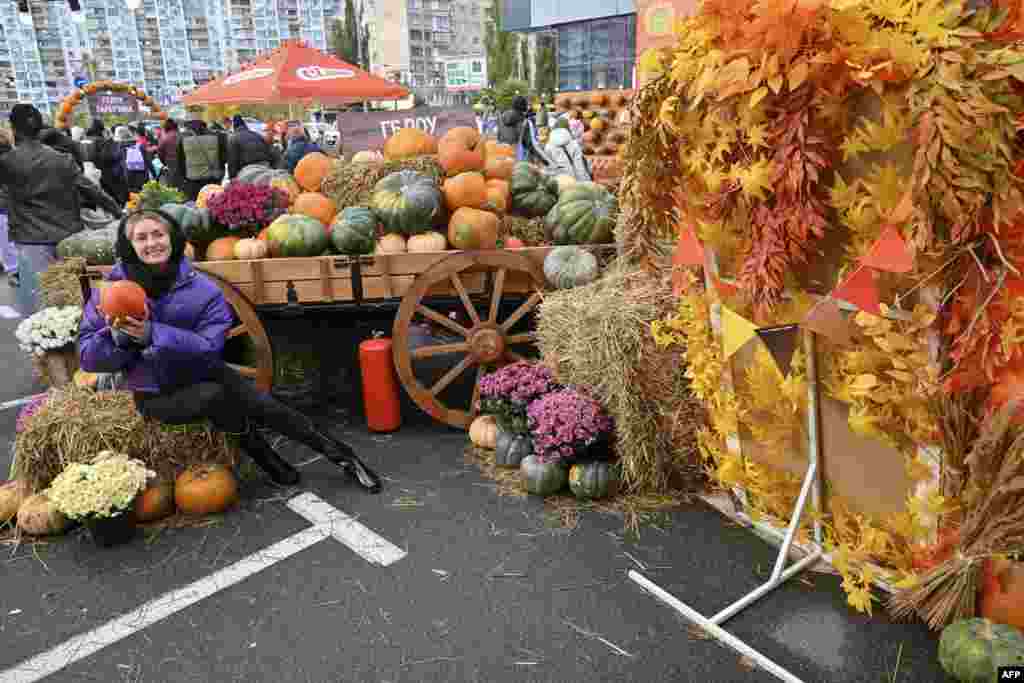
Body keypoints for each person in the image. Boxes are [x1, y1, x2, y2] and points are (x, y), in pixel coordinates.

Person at [77, 210, 383, 492]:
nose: (152, 243)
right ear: (129, 246)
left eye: (158, 234)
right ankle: (269, 460)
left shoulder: (202, 289)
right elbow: (88, 357)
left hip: (203, 370)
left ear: (173, 238)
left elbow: (211, 347)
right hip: (158, 392)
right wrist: (119, 340)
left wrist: (154, 334)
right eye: (141, 238)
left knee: (266, 405)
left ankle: (344, 458)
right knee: (218, 397)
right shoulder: (110, 293)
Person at [0, 104, 121, 315]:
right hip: (68, 238)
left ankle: (55, 345)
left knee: (44, 305)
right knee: (77, 299)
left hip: (31, 241)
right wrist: (119, 212)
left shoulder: (7, 163)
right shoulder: (61, 159)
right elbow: (91, 189)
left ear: (13, 128)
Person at [176, 118, 226, 201]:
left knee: (195, 205)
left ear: (188, 126)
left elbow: (180, 162)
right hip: (213, 179)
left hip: (192, 181)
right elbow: (224, 158)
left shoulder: (182, 138)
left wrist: (184, 178)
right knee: (214, 202)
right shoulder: (218, 136)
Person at [497, 96, 551, 166]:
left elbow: (499, 136)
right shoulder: (523, 122)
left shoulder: (502, 117)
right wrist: (545, 160)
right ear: (524, 106)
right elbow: (530, 145)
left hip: (498, 156)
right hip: (514, 159)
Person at [227, 114, 280, 178]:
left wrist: (232, 177)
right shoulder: (257, 135)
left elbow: (232, 160)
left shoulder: (233, 138)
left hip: (248, 170)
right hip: (265, 167)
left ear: (234, 127)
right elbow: (269, 151)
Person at [0, 130, 14, 287]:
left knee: (6, 243)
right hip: (16, 206)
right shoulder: (14, 155)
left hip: (3, 209)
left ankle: (14, 272)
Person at [156, 118, 185, 192]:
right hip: (184, 165)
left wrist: (164, 162)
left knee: (172, 188)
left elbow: (159, 152)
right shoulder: (182, 136)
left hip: (170, 164)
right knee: (182, 187)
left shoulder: (165, 138)